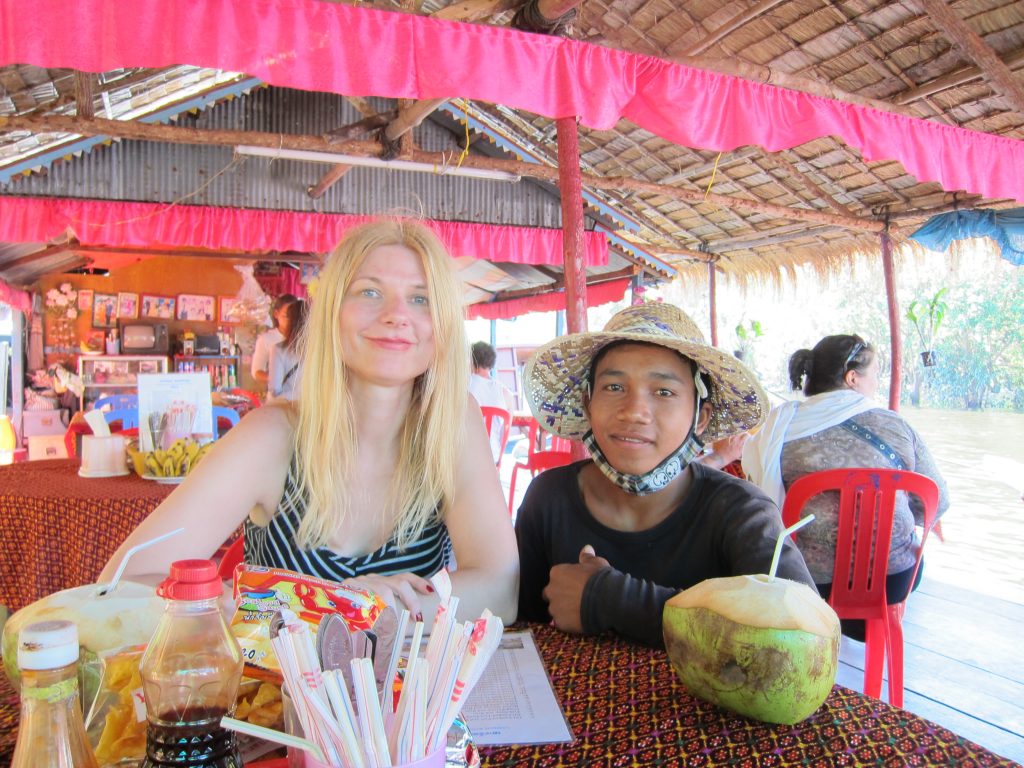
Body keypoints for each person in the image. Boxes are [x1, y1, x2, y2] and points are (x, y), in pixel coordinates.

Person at [99, 221, 518, 625]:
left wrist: (386, 611)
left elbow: (500, 588)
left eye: (421, 298)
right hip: (278, 695)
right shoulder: (272, 437)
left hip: (402, 695)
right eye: (370, 292)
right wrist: (336, 610)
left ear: (443, 325)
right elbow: (118, 589)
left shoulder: (453, 423)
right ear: (332, 314)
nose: (396, 314)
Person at [515, 304, 814, 647]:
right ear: (588, 404)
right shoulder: (548, 497)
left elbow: (801, 636)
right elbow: (515, 628)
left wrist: (610, 598)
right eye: (613, 387)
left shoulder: (741, 512)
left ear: (701, 418)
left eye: (663, 392)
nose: (634, 412)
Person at [742, 334, 950, 639]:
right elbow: (935, 503)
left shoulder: (778, 429)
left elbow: (758, 499)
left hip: (804, 583)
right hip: (891, 582)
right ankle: (873, 629)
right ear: (852, 378)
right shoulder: (896, 426)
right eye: (875, 374)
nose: (877, 383)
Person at [467, 341, 515, 462]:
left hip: (466, 458)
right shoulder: (505, 393)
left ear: (472, 361)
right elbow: (506, 430)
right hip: (493, 456)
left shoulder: (464, 386)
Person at [251, 294, 297, 386]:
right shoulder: (266, 339)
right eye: (286, 316)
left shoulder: (303, 338)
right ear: (276, 314)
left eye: (294, 316)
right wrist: (275, 378)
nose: (291, 320)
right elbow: (256, 372)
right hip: (277, 397)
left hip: (301, 397)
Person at [267, 300, 308, 402]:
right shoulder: (321, 350)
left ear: (290, 321)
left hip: (288, 409)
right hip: (313, 409)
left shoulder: (279, 350)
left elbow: (275, 389)